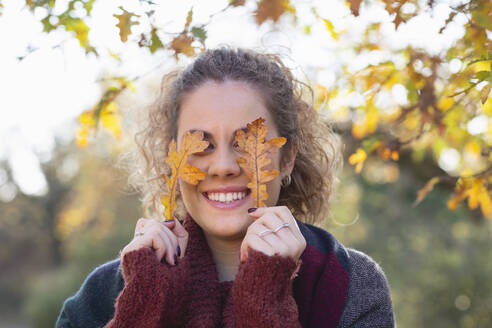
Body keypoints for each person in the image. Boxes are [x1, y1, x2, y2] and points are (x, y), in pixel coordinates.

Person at [56, 47, 395, 327]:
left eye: (246, 143)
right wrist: (144, 307)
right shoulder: (104, 293)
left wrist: (262, 300)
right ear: (172, 158)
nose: (223, 167)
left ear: (287, 158)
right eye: (201, 144)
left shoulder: (347, 284)